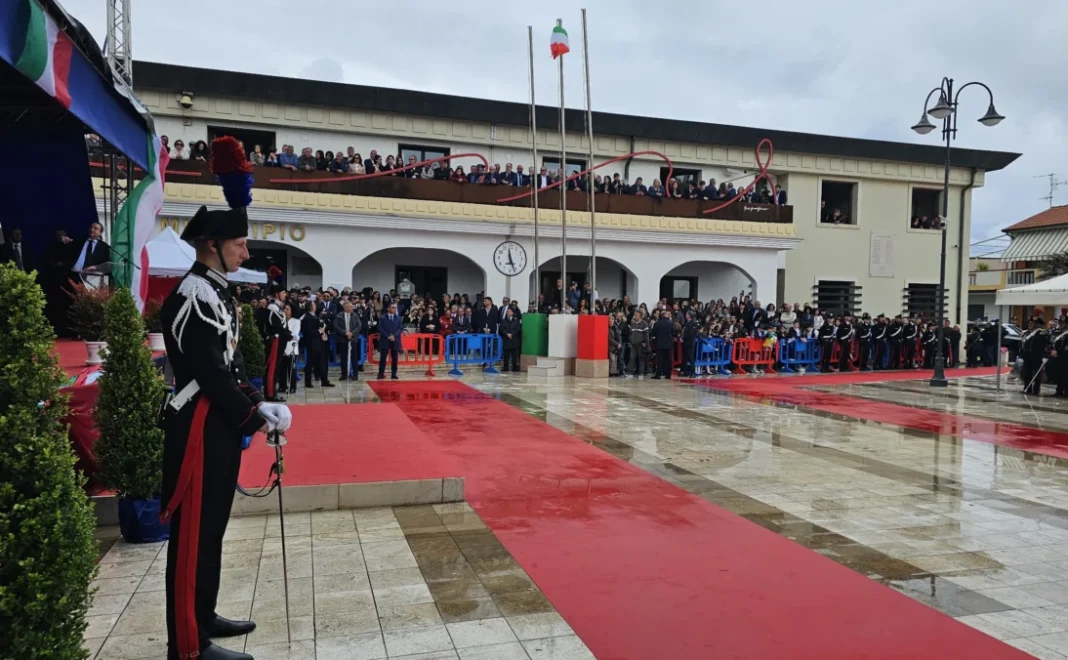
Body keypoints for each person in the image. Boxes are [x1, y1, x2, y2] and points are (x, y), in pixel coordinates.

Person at [159, 170, 291, 659]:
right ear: (212, 245)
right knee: (193, 532)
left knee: (211, 526)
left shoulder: (215, 291)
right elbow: (211, 376)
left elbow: (231, 367)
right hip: (197, 426)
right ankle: (187, 645)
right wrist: (255, 417)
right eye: (240, 243)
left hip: (214, 423)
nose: (247, 253)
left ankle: (203, 614)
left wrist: (260, 402)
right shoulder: (194, 294)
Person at [264, 289, 288, 401]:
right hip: (276, 340)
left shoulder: (278, 306)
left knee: (276, 367)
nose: (285, 295)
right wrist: (286, 333)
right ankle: (270, 393)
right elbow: (276, 325)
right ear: (277, 294)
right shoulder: (272, 307)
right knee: (272, 367)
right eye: (283, 293)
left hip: (281, 339)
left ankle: (273, 391)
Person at [69, 221, 111, 285]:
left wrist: (96, 267)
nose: (92, 229)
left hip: (91, 278)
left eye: (95, 228)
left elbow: (107, 264)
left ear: (100, 233)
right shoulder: (79, 241)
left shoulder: (104, 247)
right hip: (73, 276)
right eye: (91, 227)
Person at [334, 301, 363, 380]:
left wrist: (351, 333)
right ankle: (344, 374)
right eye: (349, 307)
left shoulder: (355, 315)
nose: (351, 308)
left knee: (354, 357)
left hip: (353, 338)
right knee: (343, 357)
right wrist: (345, 333)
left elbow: (359, 326)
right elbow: (336, 327)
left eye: (351, 306)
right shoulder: (339, 316)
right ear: (345, 307)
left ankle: (355, 374)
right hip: (343, 338)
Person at [1020, 319, 1047, 395]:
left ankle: (1036, 390)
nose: (1030, 324)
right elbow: (1022, 344)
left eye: (1032, 323)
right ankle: (1027, 388)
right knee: (1027, 373)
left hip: (1036, 356)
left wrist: (1044, 355)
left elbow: (1044, 344)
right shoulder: (1025, 333)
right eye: (1029, 323)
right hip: (1027, 356)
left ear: (1037, 325)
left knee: (1037, 374)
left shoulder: (1041, 333)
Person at [377, 302, 403, 379]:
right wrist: (388, 336)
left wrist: (394, 336)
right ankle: (381, 373)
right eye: (392, 307)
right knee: (383, 357)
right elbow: (380, 328)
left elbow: (400, 328)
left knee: (395, 358)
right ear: (388, 308)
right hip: (385, 340)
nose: (394, 309)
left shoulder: (398, 318)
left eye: (395, 307)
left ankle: (394, 374)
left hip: (395, 340)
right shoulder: (382, 317)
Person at [651, 309, 675, 380]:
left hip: (659, 344)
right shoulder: (670, 323)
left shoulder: (657, 323)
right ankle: (668, 374)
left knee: (660, 360)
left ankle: (658, 374)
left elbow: (653, 333)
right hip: (669, 344)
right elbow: (673, 333)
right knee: (668, 360)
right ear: (665, 315)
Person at [628, 311, 650, 377]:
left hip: (641, 344)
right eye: (634, 315)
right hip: (633, 345)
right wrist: (630, 341)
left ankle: (641, 373)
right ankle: (630, 372)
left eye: (636, 315)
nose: (635, 316)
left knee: (641, 358)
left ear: (640, 316)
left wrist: (647, 345)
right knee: (632, 358)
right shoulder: (632, 323)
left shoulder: (644, 324)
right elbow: (630, 333)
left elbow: (646, 335)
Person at [499, 307, 521, 372]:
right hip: (506, 339)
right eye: (507, 312)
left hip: (514, 339)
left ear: (512, 313)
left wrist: (512, 334)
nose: (507, 313)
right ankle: (505, 367)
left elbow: (518, 329)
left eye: (509, 311)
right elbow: (501, 329)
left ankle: (514, 367)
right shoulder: (503, 320)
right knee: (506, 355)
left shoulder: (516, 320)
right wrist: (507, 334)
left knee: (514, 355)